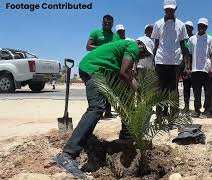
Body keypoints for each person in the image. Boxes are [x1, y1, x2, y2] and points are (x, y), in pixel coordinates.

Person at [54, 39, 153, 178]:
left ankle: (126, 138)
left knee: (126, 101)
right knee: (97, 108)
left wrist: (140, 92)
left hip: (104, 73)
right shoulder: (133, 46)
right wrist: (141, 93)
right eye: (145, 53)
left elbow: (128, 76)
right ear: (141, 45)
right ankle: (68, 154)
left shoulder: (127, 52)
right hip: (93, 69)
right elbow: (124, 73)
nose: (142, 57)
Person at [151, 0, 189, 117]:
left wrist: (186, 65)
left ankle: (174, 116)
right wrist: (153, 61)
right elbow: (156, 44)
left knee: (174, 91)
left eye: (171, 9)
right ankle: (160, 116)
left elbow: (183, 45)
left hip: (175, 62)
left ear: (175, 9)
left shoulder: (181, 25)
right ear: (164, 9)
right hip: (161, 60)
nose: (169, 11)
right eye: (167, 9)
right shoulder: (157, 24)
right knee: (160, 90)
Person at [86, 14, 120, 119]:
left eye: (109, 23)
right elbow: (88, 47)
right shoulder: (95, 33)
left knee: (108, 90)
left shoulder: (116, 36)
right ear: (102, 22)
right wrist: (102, 48)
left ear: (112, 24)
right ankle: (95, 112)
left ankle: (108, 111)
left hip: (110, 67)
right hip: (96, 66)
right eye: (105, 22)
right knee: (96, 89)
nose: (107, 24)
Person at [188, 18, 212, 118]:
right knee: (196, 91)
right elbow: (189, 54)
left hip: (207, 69)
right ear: (197, 26)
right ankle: (196, 110)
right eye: (200, 25)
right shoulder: (191, 39)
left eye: (204, 26)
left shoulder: (210, 38)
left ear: (206, 27)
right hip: (195, 69)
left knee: (208, 91)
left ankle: (207, 110)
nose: (201, 27)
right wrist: (188, 67)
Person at [181, 21, 194, 111]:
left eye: (189, 27)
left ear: (192, 29)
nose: (187, 29)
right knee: (186, 87)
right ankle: (186, 106)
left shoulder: (194, 38)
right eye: (186, 27)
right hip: (182, 65)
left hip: (194, 65)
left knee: (196, 87)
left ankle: (197, 106)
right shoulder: (181, 39)